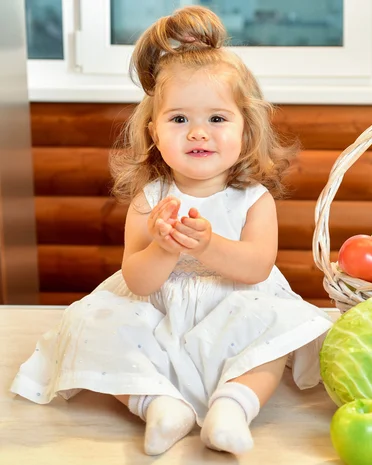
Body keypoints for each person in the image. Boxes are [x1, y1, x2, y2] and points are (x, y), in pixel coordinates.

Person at [11, 5, 332, 457]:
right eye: (180, 119)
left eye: (217, 119)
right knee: (89, 323)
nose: (198, 133)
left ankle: (233, 407)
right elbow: (138, 281)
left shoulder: (252, 199)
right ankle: (158, 404)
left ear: (246, 128)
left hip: (233, 304)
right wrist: (162, 248)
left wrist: (208, 244)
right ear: (155, 132)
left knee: (278, 325)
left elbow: (257, 268)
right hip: (157, 310)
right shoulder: (150, 197)